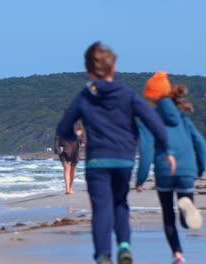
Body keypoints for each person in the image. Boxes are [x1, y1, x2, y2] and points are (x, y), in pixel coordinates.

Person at [56, 41, 176, 264]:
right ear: (114, 69)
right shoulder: (127, 94)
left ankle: (103, 255)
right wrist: (167, 149)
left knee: (101, 208)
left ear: (88, 72)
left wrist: (72, 140)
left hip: (97, 162)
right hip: (123, 160)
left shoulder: (85, 96)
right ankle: (124, 246)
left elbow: (64, 127)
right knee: (120, 203)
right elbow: (152, 121)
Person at [136, 71, 205, 264]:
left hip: (164, 170)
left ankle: (178, 256)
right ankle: (186, 211)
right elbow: (200, 143)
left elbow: (146, 151)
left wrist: (140, 179)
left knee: (168, 216)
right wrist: (200, 169)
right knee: (185, 212)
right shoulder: (182, 117)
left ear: (151, 97)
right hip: (187, 169)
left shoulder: (148, 118)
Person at [54, 120, 86, 194]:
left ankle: (70, 187)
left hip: (75, 148)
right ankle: (67, 188)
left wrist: (83, 142)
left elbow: (82, 134)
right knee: (66, 166)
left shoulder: (78, 123)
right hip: (63, 147)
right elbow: (57, 136)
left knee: (72, 168)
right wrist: (56, 148)